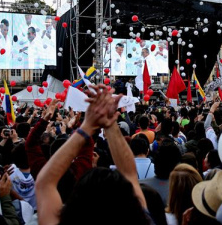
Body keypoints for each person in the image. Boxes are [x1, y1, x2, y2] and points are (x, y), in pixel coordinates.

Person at [35, 85, 152, 224]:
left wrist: (87, 126)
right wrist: (109, 124)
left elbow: (45, 182)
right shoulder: (140, 219)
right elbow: (129, 174)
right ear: (127, 199)